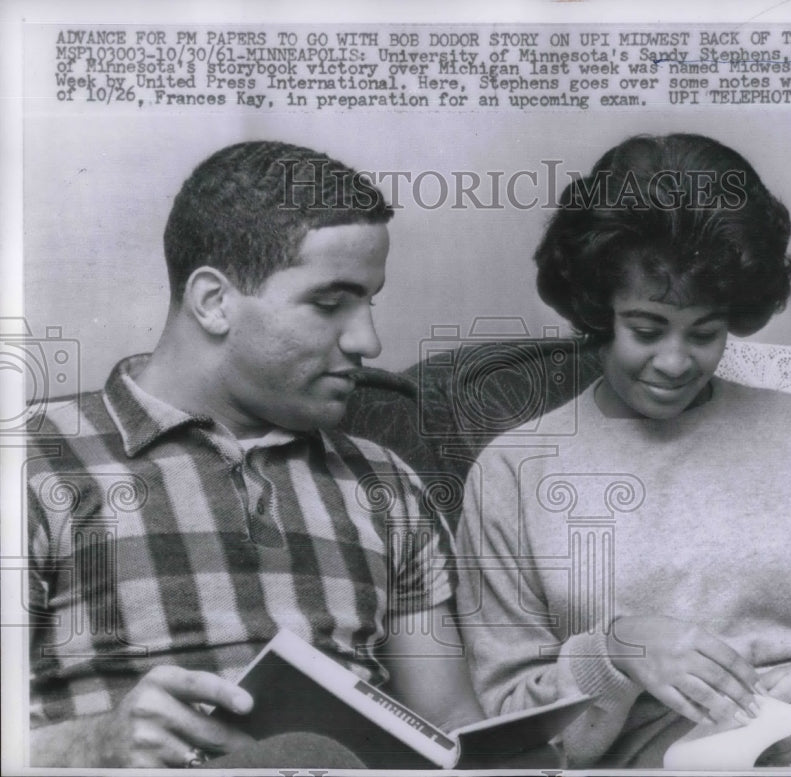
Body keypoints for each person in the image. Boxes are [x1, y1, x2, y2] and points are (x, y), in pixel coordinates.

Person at [454, 133, 791, 768]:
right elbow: (515, 727)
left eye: (705, 333)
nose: (675, 362)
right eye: (646, 329)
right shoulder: (512, 474)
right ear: (596, 312)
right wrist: (616, 653)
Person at [26, 140, 485, 767]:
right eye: (330, 304)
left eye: (368, 303)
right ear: (214, 302)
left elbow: (449, 726)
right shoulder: (32, 462)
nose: (369, 342)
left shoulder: (386, 484)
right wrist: (91, 746)